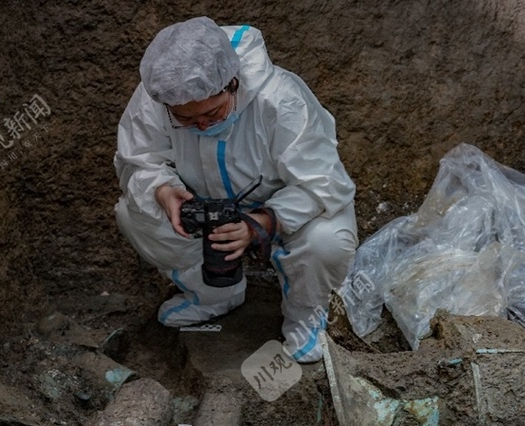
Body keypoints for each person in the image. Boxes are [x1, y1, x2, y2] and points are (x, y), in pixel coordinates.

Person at [114, 17, 357, 363]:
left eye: (212, 112)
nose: (201, 125)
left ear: (232, 83)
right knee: (131, 212)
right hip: (205, 209)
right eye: (185, 119)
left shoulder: (281, 99)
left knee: (327, 240)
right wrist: (164, 191)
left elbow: (325, 184)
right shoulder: (158, 96)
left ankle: (306, 315)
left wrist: (262, 223)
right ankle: (214, 294)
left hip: (284, 208)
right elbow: (136, 159)